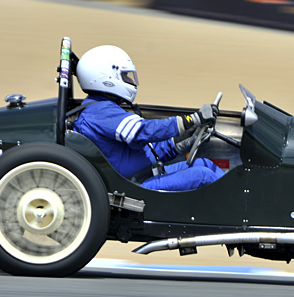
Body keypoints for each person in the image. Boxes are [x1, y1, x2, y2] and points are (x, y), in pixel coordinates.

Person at [71, 45, 225, 191]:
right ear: (106, 77)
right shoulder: (99, 111)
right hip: (134, 186)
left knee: (203, 163)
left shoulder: (100, 107)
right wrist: (192, 120)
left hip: (144, 175)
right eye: (125, 76)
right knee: (203, 176)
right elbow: (143, 132)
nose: (130, 81)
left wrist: (180, 143)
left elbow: (142, 150)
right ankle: (242, 208)